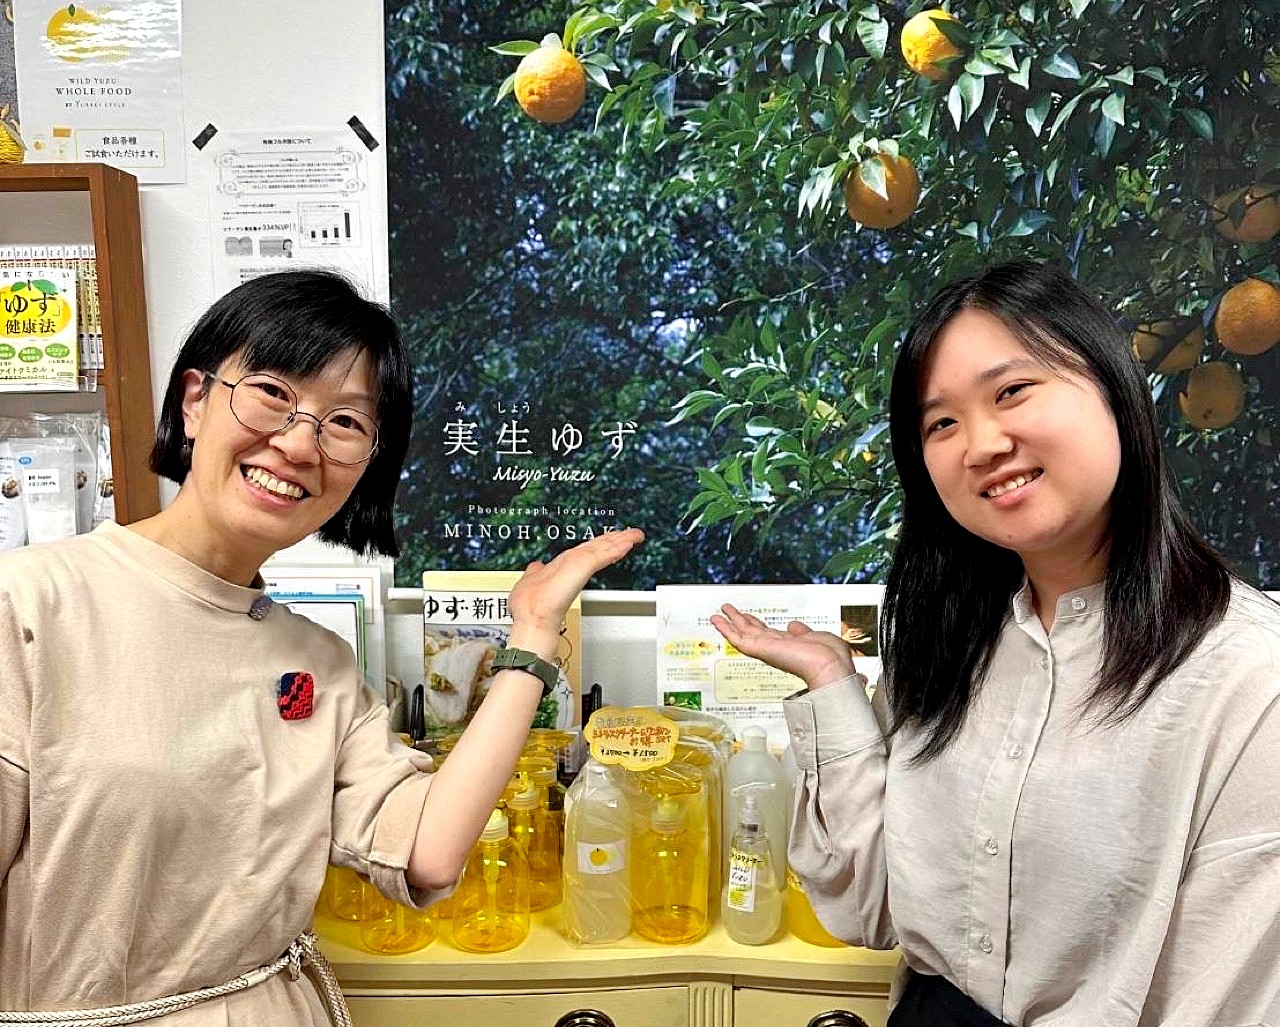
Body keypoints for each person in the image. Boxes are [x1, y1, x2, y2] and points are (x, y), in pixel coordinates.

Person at [0, 270, 643, 1024]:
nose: (300, 441)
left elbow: (427, 850)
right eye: (273, 390)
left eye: (344, 423)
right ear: (195, 399)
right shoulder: (32, 603)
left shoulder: (320, 663)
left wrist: (532, 636)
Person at [711, 260, 1279, 1027]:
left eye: (1012, 391)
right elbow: (869, 908)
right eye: (940, 423)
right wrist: (831, 686)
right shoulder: (942, 638)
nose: (979, 444)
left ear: (1115, 388)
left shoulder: (1249, 677)